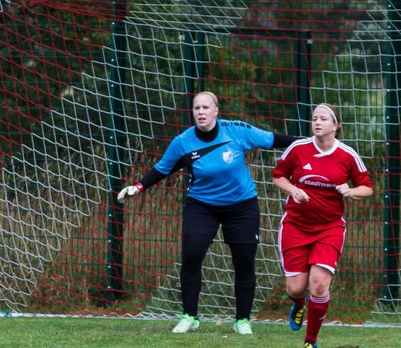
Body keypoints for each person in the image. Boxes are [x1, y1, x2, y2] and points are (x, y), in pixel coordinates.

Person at [116, 90, 297, 334]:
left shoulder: (236, 131)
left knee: (243, 262)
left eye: (205, 108)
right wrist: (137, 187)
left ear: (216, 111)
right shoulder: (183, 141)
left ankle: (242, 320)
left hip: (242, 206)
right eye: (196, 108)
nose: (201, 112)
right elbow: (162, 168)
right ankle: (189, 316)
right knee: (191, 256)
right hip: (202, 205)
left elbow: (274, 139)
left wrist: (310, 142)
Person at [271, 104, 373, 348]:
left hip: (329, 227)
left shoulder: (347, 155)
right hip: (296, 225)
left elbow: (367, 187)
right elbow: (278, 176)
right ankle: (298, 303)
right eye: (314, 118)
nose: (317, 122)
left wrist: (350, 190)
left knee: (319, 284)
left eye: (323, 118)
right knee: (296, 287)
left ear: (335, 126)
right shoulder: (298, 149)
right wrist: (293, 189)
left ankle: (311, 340)